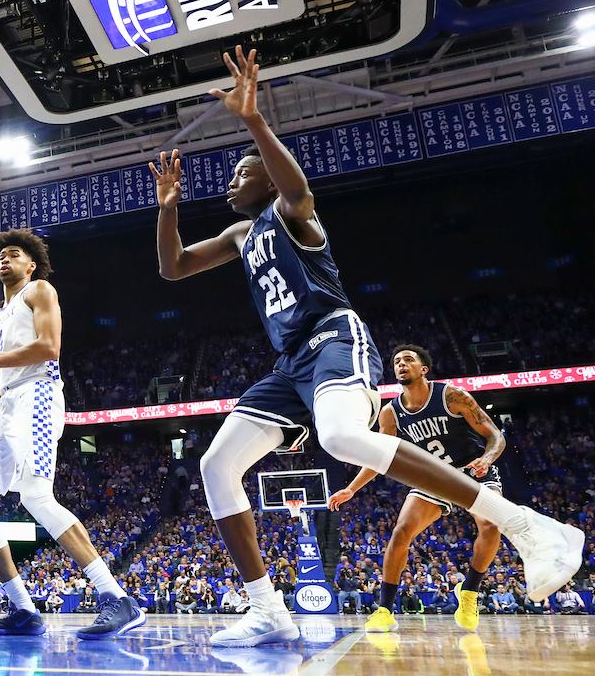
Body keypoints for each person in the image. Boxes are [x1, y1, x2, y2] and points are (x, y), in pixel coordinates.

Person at [151, 47, 585, 647]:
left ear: (264, 180)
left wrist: (254, 120)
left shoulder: (292, 216)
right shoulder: (237, 234)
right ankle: (266, 608)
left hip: (334, 333)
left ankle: (529, 526)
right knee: (215, 464)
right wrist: (168, 210)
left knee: (340, 438)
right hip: (291, 361)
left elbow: (297, 188)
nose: (229, 186)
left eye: (239, 176)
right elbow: (173, 268)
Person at [0, 229, 143, 639]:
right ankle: (23, 609)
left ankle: (116, 598)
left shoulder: (39, 290)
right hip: (8, 405)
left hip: (38, 395)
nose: (4, 260)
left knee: (36, 496)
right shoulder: (0, 318)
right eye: (0, 256)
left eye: (14, 254)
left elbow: (49, 347)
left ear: (31, 264)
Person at [330, 345, 508, 634]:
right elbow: (379, 455)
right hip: (433, 478)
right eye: (397, 361)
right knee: (402, 532)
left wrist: (487, 459)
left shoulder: (452, 396)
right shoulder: (391, 412)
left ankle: (470, 591)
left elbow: (495, 435)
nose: (401, 364)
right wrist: (351, 489)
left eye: (408, 360)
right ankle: (385, 609)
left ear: (423, 369)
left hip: (472, 471)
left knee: (490, 525)